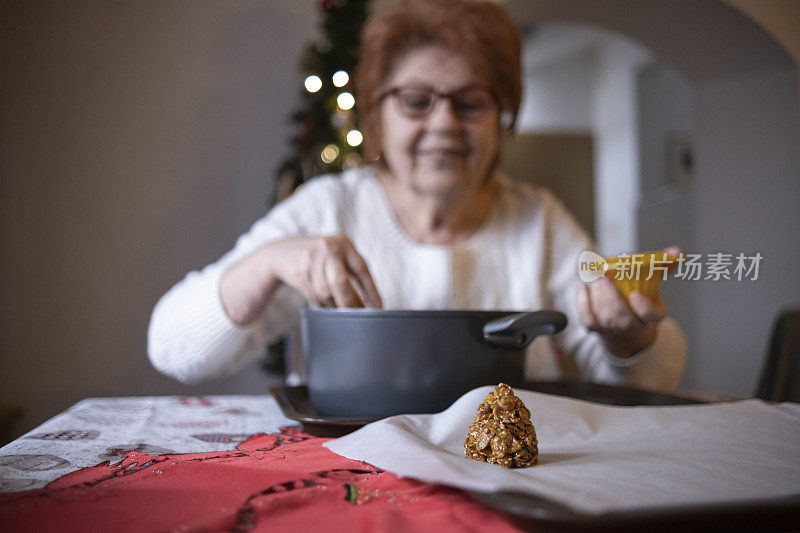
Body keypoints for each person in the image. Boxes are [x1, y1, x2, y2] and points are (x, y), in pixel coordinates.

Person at [148, 0, 686, 391]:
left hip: (513, 475)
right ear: (376, 117)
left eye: (471, 102)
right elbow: (174, 349)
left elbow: (653, 376)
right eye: (415, 101)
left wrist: (626, 335)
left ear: (501, 120)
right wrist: (265, 263)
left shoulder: (537, 217)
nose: (444, 124)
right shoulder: (328, 208)